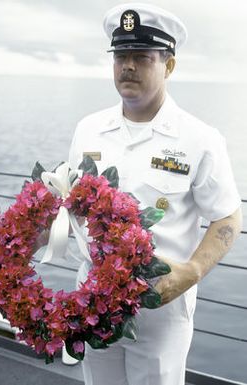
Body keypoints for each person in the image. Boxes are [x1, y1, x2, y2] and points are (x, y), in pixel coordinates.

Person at [68, 3, 242, 385]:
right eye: (121, 56)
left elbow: (228, 215)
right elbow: (71, 204)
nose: (127, 66)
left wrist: (192, 272)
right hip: (94, 298)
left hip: (160, 304)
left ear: (169, 66)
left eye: (142, 57)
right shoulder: (88, 130)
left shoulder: (200, 138)